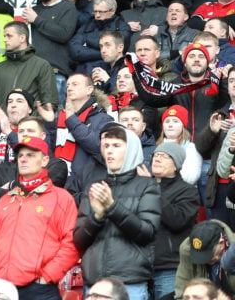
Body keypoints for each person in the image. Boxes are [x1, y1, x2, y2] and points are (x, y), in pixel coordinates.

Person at [0, 136, 80, 300]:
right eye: (20, 156)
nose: (23, 159)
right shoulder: (6, 200)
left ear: (45, 160)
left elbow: (71, 243)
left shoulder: (61, 198)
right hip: (1, 288)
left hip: (39, 290)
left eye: (31, 155)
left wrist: (47, 277)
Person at [73, 125, 161, 300]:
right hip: (95, 284)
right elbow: (79, 241)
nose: (109, 151)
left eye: (116, 146)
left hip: (130, 283)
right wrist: (96, 218)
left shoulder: (147, 185)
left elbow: (147, 233)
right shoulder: (94, 186)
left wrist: (112, 207)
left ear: (132, 150)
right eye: (106, 146)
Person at [151, 142, 200, 300]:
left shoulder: (188, 191)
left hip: (169, 267)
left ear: (176, 165)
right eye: (156, 155)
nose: (157, 159)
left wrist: (154, 191)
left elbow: (177, 220)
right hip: (139, 268)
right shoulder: (143, 186)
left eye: (164, 156)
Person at [0, 22, 58, 111]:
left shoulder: (41, 65)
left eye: (9, 36)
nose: (5, 40)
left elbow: (49, 102)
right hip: (2, 123)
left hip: (30, 123)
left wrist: (32, 122)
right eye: (4, 36)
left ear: (22, 38)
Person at [175, 221, 235, 298]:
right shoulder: (187, 250)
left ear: (221, 242)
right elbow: (182, 286)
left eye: (208, 254)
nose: (205, 260)